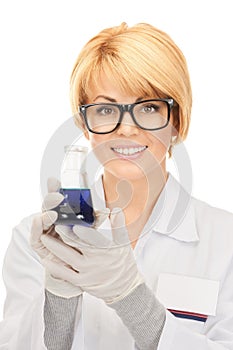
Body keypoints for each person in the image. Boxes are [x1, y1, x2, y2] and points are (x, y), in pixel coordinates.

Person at [1, 22, 233, 350]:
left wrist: (131, 297)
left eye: (149, 107)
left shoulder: (226, 242)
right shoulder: (37, 241)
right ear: (85, 122)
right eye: (107, 109)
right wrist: (59, 297)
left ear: (177, 121)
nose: (126, 128)